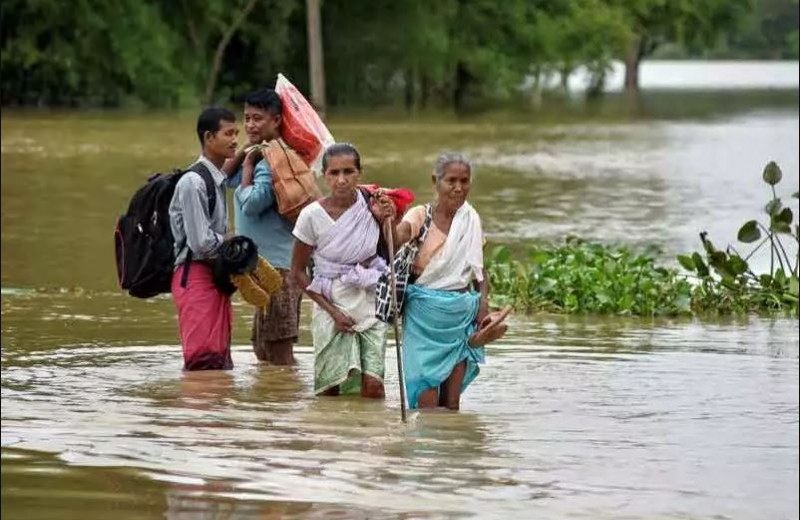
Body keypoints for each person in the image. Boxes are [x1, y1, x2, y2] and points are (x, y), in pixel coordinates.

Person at [391, 151, 506, 410]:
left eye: (464, 181)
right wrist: (388, 217)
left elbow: (479, 268)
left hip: (460, 317)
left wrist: (483, 303)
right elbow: (398, 236)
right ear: (436, 181)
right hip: (423, 319)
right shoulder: (420, 215)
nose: (458, 188)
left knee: (452, 405)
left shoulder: (471, 220)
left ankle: (451, 447)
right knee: (426, 397)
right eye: (451, 181)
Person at [290, 143, 394, 398]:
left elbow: (393, 250)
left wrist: (387, 220)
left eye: (348, 172)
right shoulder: (311, 216)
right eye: (334, 173)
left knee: (374, 385)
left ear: (359, 173)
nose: (341, 180)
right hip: (330, 300)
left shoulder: (374, 206)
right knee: (330, 385)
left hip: (369, 298)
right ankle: (331, 435)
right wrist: (334, 312)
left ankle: (371, 433)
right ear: (324, 176)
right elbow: (298, 272)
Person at [222, 88, 304, 365]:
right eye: (246, 118)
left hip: (279, 269)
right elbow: (222, 177)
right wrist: (247, 150)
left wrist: (247, 165)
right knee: (262, 349)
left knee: (279, 352)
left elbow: (253, 202)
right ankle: (271, 403)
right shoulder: (261, 154)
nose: (249, 125)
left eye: (257, 119)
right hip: (267, 267)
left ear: (276, 120)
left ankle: (286, 403)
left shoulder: (272, 160)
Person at [169, 107, 238, 370]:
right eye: (228, 133)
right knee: (202, 361)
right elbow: (200, 243)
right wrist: (230, 241)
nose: (234, 140)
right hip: (194, 274)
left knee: (219, 362)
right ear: (209, 138)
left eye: (236, 133)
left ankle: (215, 412)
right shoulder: (193, 182)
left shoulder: (216, 179)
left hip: (215, 276)